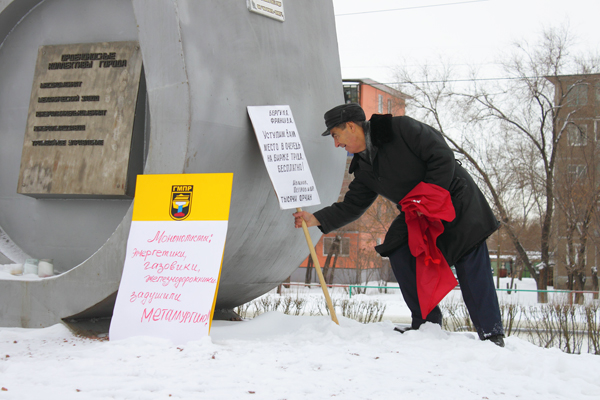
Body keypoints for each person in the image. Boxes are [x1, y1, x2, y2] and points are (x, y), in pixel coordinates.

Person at [293, 103, 505, 347]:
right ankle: (426, 323)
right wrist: (316, 219)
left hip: (455, 200)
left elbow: (441, 155)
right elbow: (353, 204)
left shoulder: (400, 128)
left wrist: (428, 195)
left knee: (469, 258)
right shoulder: (363, 167)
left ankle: (491, 333)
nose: (336, 143)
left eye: (336, 135)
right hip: (418, 212)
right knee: (397, 245)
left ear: (351, 126)